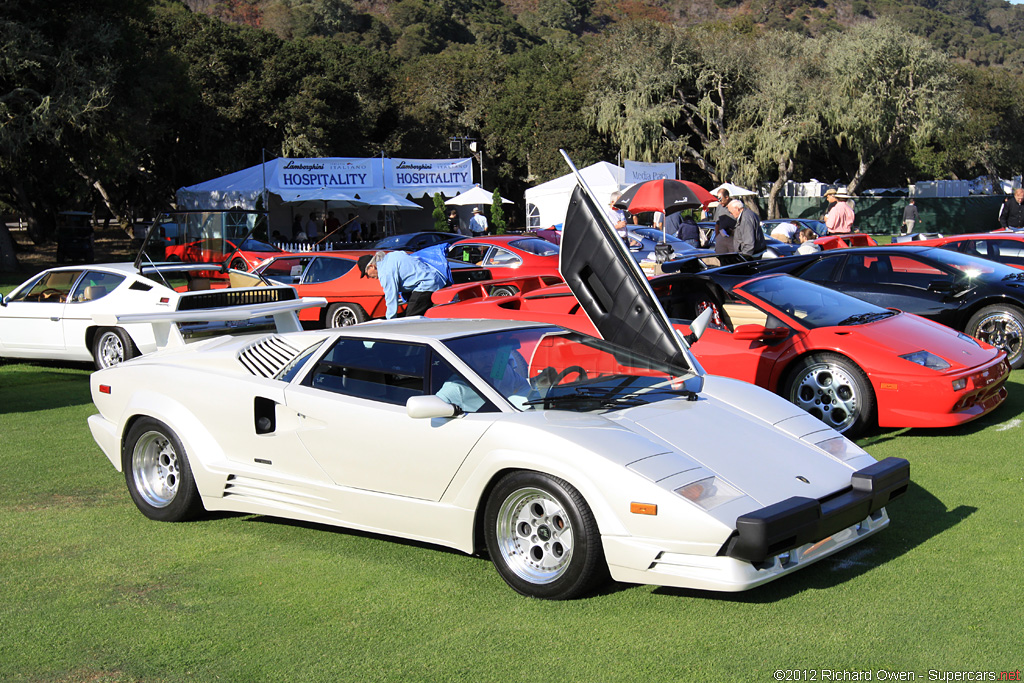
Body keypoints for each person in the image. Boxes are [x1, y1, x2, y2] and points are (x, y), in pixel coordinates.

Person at [358, 250, 447, 319]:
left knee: (410, 319)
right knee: (411, 313)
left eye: (366, 274)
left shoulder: (385, 272)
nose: (368, 277)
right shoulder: (391, 256)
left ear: (371, 266)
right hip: (435, 277)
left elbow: (391, 298)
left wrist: (390, 322)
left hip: (426, 284)